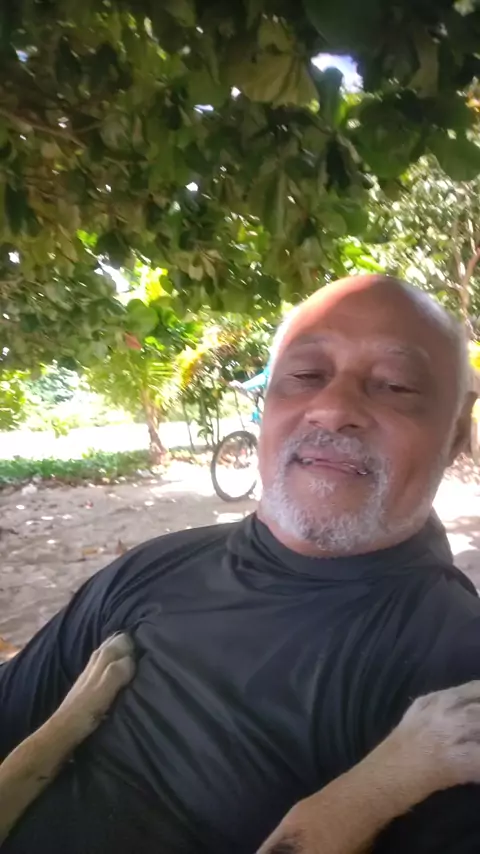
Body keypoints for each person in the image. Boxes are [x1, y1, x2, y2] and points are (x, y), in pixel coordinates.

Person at [0, 274, 478, 854]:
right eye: (306, 375)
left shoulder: (453, 666)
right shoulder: (154, 567)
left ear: (457, 432)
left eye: (395, 385)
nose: (332, 409)